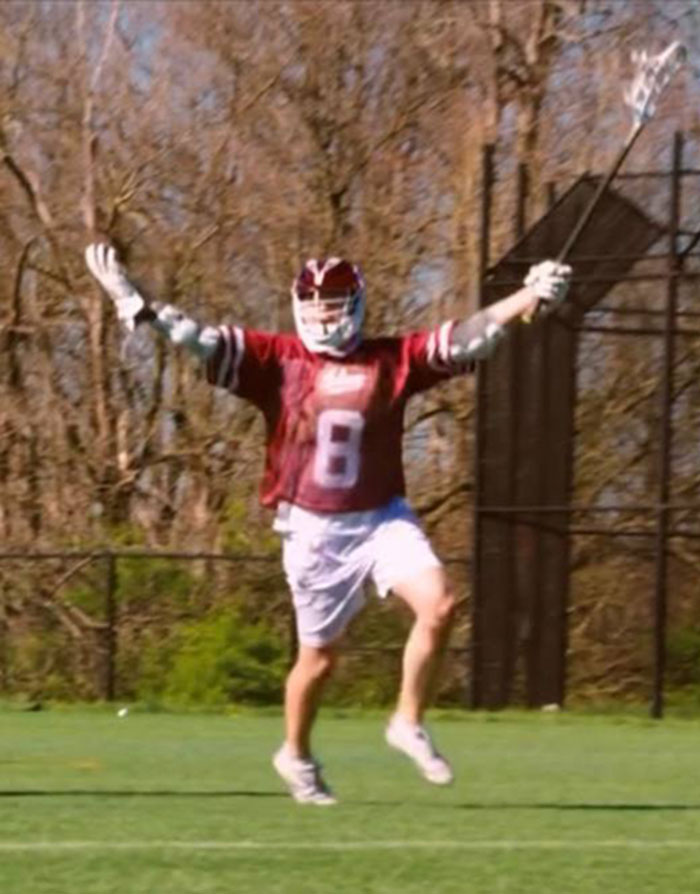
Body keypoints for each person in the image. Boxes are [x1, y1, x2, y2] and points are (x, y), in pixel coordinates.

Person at [85, 243, 571, 805]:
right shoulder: (279, 361)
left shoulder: (392, 359)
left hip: (383, 515)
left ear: (358, 305)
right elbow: (204, 339)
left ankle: (407, 722)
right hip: (314, 528)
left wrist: (528, 298)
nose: (324, 316)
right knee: (318, 660)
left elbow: (466, 336)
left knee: (439, 605)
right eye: (315, 306)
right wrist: (142, 306)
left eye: (335, 304)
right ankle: (295, 754)